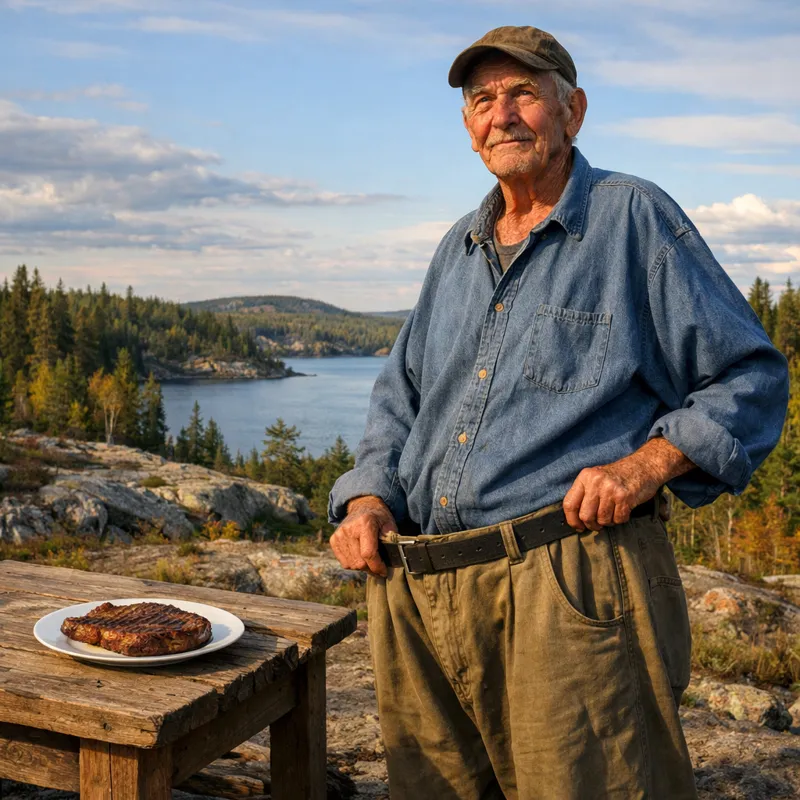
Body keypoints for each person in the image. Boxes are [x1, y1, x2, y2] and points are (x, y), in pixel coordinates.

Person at [328, 25, 789, 800]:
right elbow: (399, 398)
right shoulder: (458, 247)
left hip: (567, 589)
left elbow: (750, 375)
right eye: (482, 100)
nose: (501, 114)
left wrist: (647, 464)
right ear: (469, 129)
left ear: (571, 111)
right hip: (422, 598)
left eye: (523, 94)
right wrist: (369, 496)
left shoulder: (632, 218)